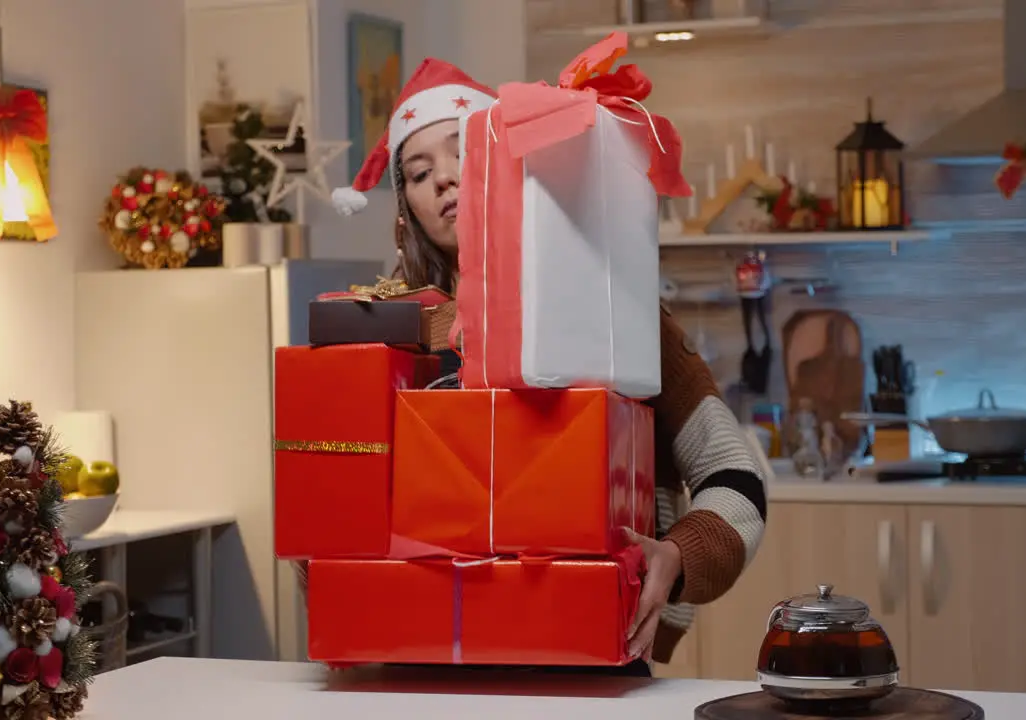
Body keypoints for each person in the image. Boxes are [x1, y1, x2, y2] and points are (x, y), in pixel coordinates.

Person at [328, 59, 769, 678]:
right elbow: (337, 494)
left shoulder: (616, 304)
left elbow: (737, 475)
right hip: (426, 658)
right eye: (419, 173)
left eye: (465, 150)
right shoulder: (385, 327)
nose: (446, 181)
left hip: (585, 659)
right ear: (407, 210)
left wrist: (677, 555)